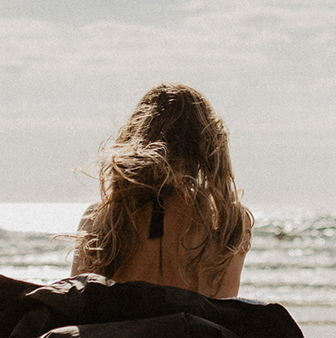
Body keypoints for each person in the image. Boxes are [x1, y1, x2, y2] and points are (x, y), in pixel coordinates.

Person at [71, 82, 253, 298]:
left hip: (121, 330)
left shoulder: (103, 217)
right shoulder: (227, 223)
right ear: (208, 147)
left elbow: (77, 303)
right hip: (192, 332)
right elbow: (223, 310)